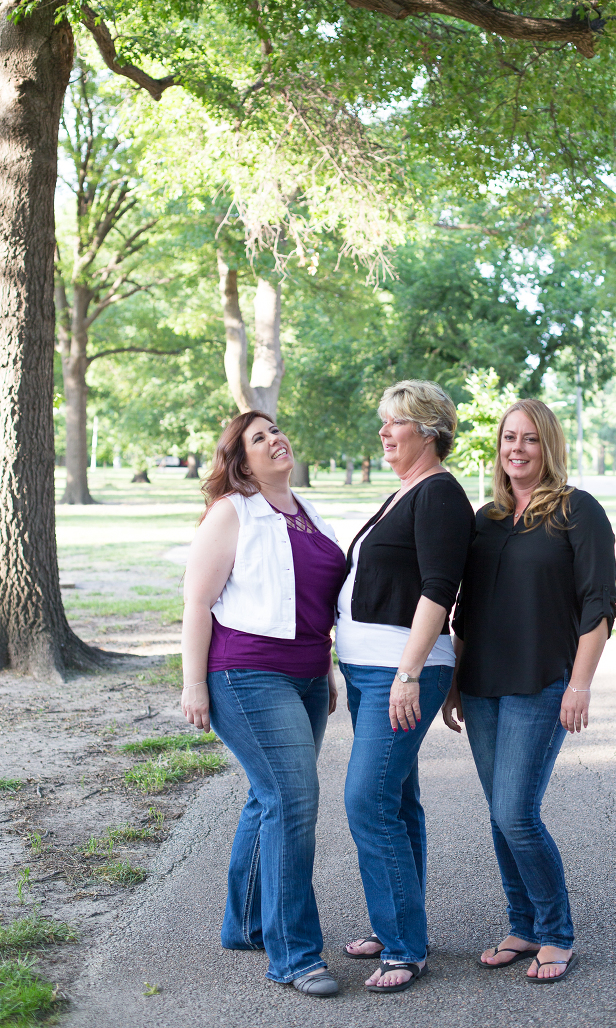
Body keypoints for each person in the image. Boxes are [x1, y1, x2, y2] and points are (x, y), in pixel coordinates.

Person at [443, 399, 616, 984]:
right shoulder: (486, 518)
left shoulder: (577, 511)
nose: (516, 449)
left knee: (516, 812)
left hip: (543, 683)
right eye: (508, 438)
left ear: (550, 447)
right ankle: (521, 925)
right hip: (483, 683)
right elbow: (467, 609)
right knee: (500, 814)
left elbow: (599, 606)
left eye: (530, 440)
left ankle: (556, 933)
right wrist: (452, 681)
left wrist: (581, 684)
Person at [180, 410, 347, 998]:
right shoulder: (234, 512)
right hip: (245, 676)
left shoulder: (306, 512)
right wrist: (193, 683)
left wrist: (324, 667)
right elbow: (197, 602)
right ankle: (295, 955)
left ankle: (247, 925)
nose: (275, 439)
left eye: (275, 430)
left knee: (269, 798)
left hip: (303, 677)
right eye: (258, 437)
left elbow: (313, 604)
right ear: (240, 460)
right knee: (294, 802)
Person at [337, 380, 475, 993]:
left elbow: (439, 588)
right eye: (383, 423)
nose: (384, 434)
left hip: (401, 669)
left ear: (428, 430)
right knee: (394, 801)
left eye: (394, 423)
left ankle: (403, 946)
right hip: (369, 668)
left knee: (367, 800)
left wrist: (411, 673)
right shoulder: (403, 493)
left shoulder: (440, 494)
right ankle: (398, 922)